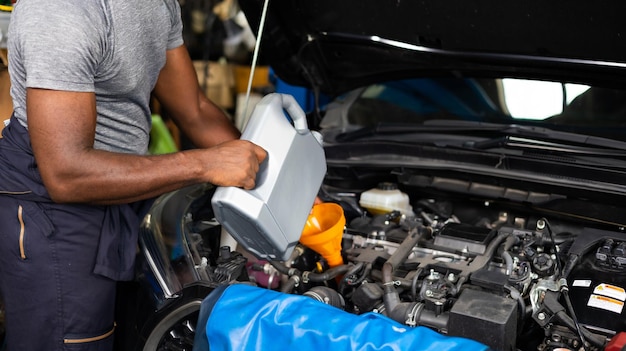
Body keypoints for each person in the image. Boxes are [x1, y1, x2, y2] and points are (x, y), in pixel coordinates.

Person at [0, 0, 267, 350]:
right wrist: (205, 163)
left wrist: (270, 183)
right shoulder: (60, 10)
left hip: (124, 186)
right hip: (54, 206)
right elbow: (66, 174)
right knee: (73, 342)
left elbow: (196, 110)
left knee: (138, 333)